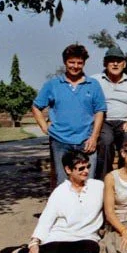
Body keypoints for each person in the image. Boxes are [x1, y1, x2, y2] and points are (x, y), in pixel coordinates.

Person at [0, 150, 103, 253]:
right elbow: (46, 219)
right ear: (68, 170)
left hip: (86, 239)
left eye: (88, 167)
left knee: (91, 251)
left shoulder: (98, 186)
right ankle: (19, 252)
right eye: (81, 168)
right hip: (61, 238)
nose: (86, 171)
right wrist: (34, 243)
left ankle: (41, 252)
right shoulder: (60, 192)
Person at [32, 44, 106, 185]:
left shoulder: (93, 84)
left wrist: (94, 137)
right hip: (60, 141)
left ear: (84, 63)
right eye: (72, 62)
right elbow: (36, 107)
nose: (75, 66)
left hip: (86, 141)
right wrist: (45, 127)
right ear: (65, 62)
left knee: (87, 182)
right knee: (63, 182)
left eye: (79, 63)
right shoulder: (53, 84)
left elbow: (100, 111)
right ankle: (65, 208)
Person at [91, 46, 127, 181]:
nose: (115, 64)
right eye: (111, 60)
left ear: (124, 64)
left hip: (125, 121)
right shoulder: (94, 80)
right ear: (105, 63)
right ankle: (105, 180)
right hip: (104, 120)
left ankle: (125, 178)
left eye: (118, 61)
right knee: (105, 141)